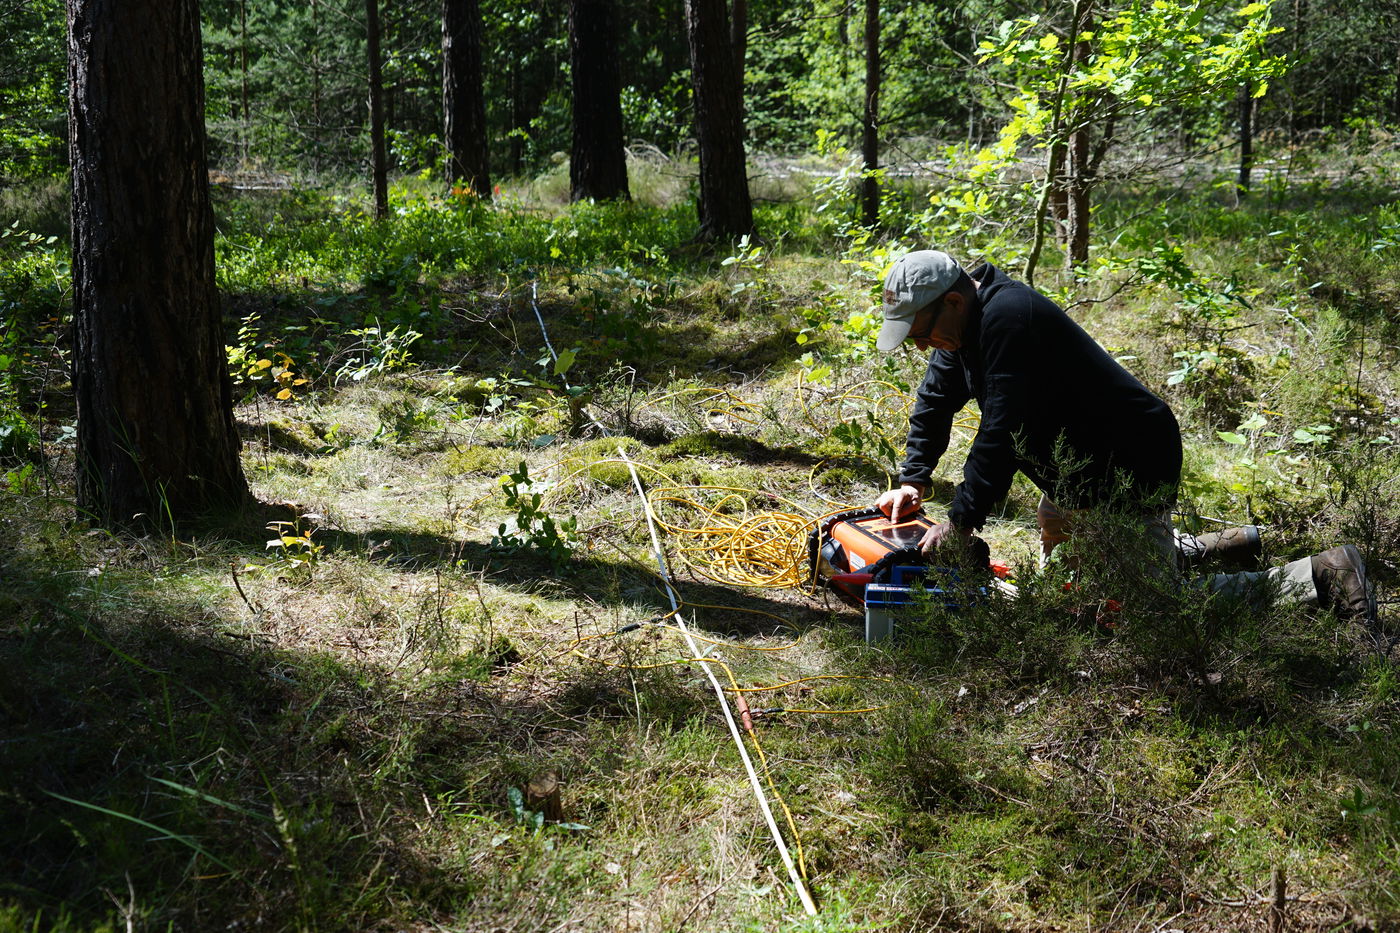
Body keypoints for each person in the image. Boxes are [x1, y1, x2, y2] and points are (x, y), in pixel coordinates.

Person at [871, 249, 1378, 626]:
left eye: (920, 334)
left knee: (1140, 607)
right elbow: (935, 400)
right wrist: (913, 477)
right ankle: (1215, 547)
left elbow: (1001, 430)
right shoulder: (961, 326)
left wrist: (961, 522)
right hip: (1073, 473)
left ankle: (1324, 575)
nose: (921, 346)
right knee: (1069, 591)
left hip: (1128, 461)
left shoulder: (1007, 320)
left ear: (952, 301)